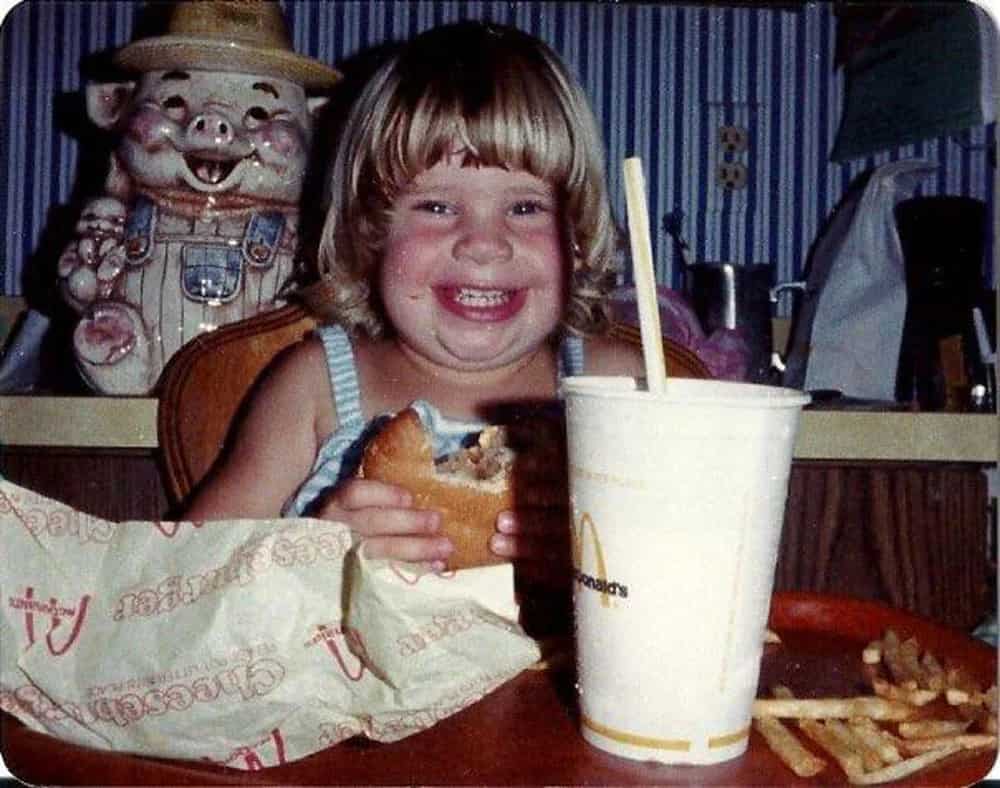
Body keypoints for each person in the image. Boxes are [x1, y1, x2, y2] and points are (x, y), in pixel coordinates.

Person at [182, 20, 644, 580]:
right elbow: (186, 578)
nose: (484, 245)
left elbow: (695, 574)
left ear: (575, 236)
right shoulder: (314, 388)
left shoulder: (619, 391)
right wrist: (315, 557)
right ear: (371, 233)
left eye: (525, 208)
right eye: (436, 207)